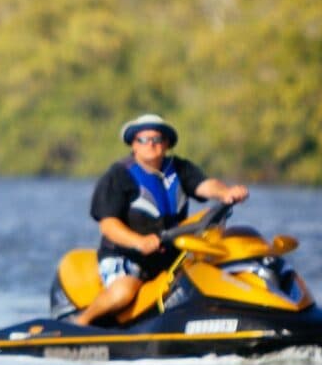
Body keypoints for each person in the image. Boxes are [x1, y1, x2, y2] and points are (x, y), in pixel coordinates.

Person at [72, 113, 248, 326]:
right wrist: (140, 242)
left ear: (166, 144)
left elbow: (206, 185)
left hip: (172, 255)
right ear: (134, 145)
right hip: (127, 255)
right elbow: (108, 225)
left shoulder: (180, 169)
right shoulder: (118, 175)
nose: (151, 144)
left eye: (157, 139)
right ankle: (81, 322)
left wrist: (226, 193)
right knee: (123, 292)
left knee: (211, 273)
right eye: (143, 139)